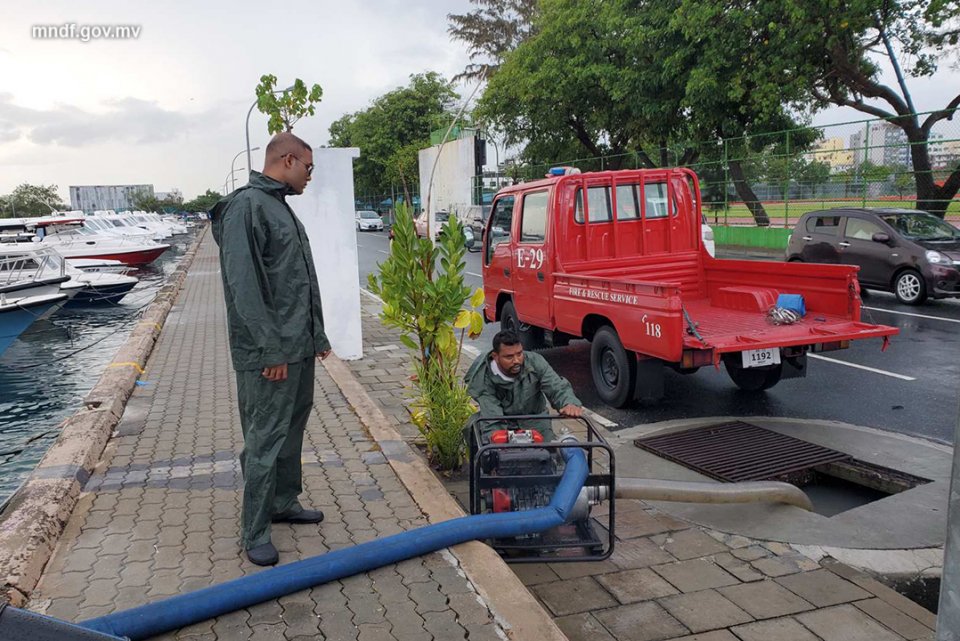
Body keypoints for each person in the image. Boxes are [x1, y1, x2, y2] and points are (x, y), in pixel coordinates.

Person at [210, 132, 331, 566]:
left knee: (291, 429)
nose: (310, 177)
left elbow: (296, 282)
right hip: (270, 354)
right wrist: (270, 351)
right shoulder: (246, 206)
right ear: (288, 159)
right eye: (309, 168)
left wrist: (317, 339)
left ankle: (283, 502)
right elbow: (245, 288)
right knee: (264, 439)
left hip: (296, 348)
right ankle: (255, 528)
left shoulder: (278, 206)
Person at [464, 330, 583, 442]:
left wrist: (568, 403)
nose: (516, 360)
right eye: (509, 357)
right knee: (478, 435)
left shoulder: (535, 361)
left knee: (552, 455)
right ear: (495, 356)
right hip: (503, 422)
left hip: (535, 421)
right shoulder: (484, 377)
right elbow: (492, 416)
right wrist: (498, 443)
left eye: (519, 354)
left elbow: (555, 385)